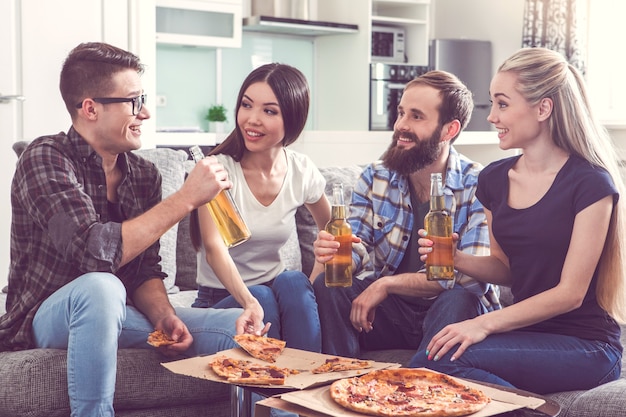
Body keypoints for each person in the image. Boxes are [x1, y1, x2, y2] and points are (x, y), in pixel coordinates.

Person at [0, 42, 251, 417]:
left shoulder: (143, 175)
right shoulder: (44, 158)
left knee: (237, 328)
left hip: (117, 311)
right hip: (45, 317)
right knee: (102, 286)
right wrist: (185, 199)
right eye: (134, 101)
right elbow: (92, 252)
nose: (145, 113)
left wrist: (165, 316)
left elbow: (145, 268)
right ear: (90, 108)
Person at [411, 47, 626, 395]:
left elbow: (570, 294)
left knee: (436, 363)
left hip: (587, 346)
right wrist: (456, 258)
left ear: (543, 109)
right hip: (528, 336)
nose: (492, 117)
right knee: (433, 361)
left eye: (502, 103)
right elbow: (506, 269)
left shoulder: (590, 183)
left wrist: (482, 324)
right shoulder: (494, 180)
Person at [312, 70, 501, 358]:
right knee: (331, 286)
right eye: (401, 113)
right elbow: (358, 248)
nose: (401, 125)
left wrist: (387, 284)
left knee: (461, 298)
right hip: (389, 314)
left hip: (446, 314)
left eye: (416, 116)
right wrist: (337, 253)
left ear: (449, 130)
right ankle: (339, 380)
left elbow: (470, 280)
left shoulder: (479, 184)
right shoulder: (375, 177)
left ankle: (421, 383)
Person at [190, 63, 330, 352]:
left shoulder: (301, 169)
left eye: (269, 111)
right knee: (262, 298)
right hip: (220, 299)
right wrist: (250, 301)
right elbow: (215, 250)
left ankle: (304, 387)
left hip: (276, 292)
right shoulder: (216, 171)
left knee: (293, 281)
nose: (252, 120)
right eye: (246, 105)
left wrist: (313, 281)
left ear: (292, 119)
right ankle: (279, 392)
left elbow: (331, 230)